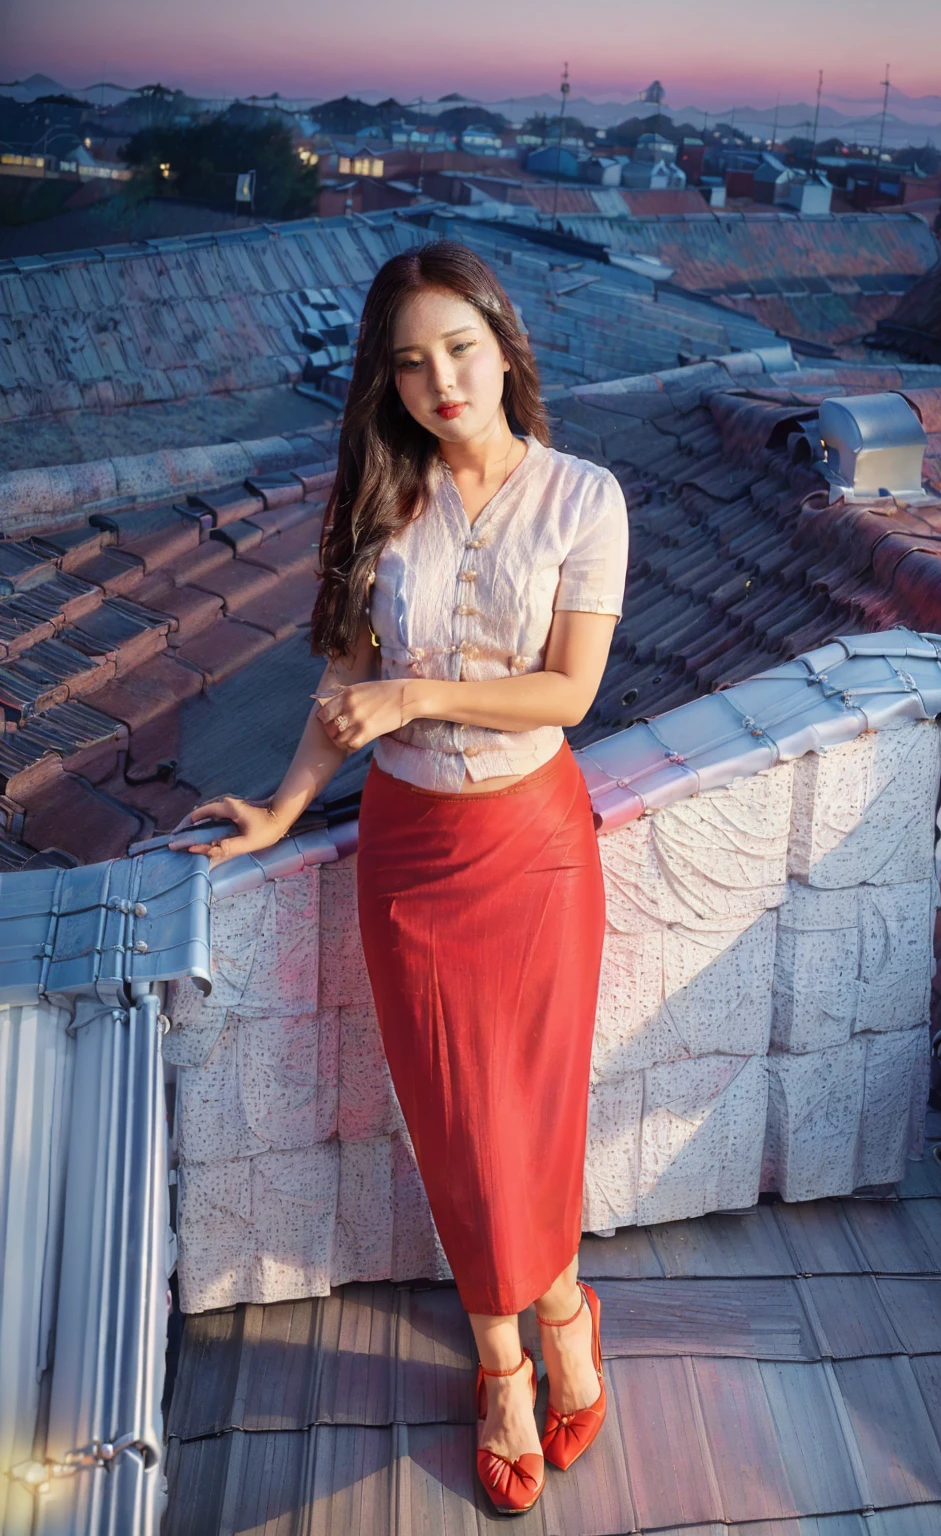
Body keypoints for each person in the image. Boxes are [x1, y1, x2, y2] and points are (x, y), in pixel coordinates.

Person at [172, 239, 626, 1516]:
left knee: (531, 1114)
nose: (441, 382)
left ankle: (559, 1317)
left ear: (504, 346)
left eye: (461, 351)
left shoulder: (584, 498)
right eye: (413, 363)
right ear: (390, 379)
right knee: (456, 1122)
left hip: (535, 844)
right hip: (411, 852)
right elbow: (341, 695)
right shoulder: (380, 495)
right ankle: (513, 1361)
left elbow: (569, 692)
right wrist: (281, 809)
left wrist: (417, 691)